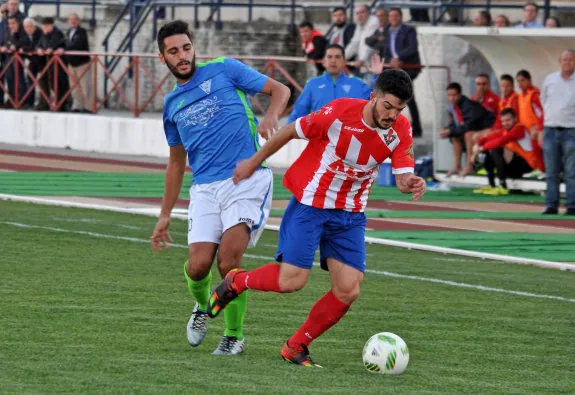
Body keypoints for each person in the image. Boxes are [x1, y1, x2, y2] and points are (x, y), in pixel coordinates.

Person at [206, 69, 426, 367]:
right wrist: (252, 163)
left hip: (350, 214)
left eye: (399, 109)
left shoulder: (400, 128)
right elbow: (287, 131)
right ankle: (237, 281)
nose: (392, 115)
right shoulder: (338, 113)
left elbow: (402, 177)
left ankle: (296, 346)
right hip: (311, 205)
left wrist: (411, 182)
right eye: (387, 106)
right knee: (292, 281)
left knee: (348, 289)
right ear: (373, 97)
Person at [150, 20, 290, 355]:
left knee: (228, 263)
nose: (183, 56)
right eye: (174, 51)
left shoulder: (225, 69)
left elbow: (280, 90)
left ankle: (234, 334)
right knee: (197, 267)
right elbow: (175, 163)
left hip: (246, 179)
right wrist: (164, 214)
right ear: (162, 58)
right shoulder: (172, 105)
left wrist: (272, 115)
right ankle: (203, 306)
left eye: (186, 47)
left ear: (193, 46)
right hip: (204, 188)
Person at [287, 44, 371, 123]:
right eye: (329, 57)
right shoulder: (313, 84)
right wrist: (286, 135)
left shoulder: (358, 84)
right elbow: (298, 112)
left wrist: (377, 76)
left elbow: (377, 101)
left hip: (349, 136)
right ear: (324, 61)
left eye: (337, 57)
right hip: (320, 135)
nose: (333, 60)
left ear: (344, 61)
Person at [471, 108, 544, 195]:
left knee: (495, 149)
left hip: (530, 165)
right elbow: (489, 138)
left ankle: (503, 186)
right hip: (519, 164)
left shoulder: (519, 128)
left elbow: (501, 141)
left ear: (515, 119)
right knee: (486, 151)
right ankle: (491, 185)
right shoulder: (506, 130)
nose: (505, 123)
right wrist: (478, 144)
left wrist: (481, 148)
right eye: (503, 121)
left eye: (508, 120)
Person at [540, 49, 575, 215]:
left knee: (571, 171)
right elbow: (543, 100)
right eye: (564, 60)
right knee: (551, 171)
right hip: (551, 130)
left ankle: (572, 205)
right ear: (559, 61)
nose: (567, 63)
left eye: (571, 60)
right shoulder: (550, 79)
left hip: (571, 131)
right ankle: (551, 205)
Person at [439, 82, 495, 177]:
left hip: (489, 129)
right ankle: (457, 166)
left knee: (468, 135)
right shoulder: (453, 107)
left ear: (460, 94)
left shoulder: (469, 105)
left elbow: (469, 125)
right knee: (454, 136)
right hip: (475, 129)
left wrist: (451, 130)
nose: (451, 98)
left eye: (454, 95)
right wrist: (447, 130)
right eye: (449, 95)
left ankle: (470, 165)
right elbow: (454, 124)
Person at [383, 8, 422, 137]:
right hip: (394, 68)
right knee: (392, 97)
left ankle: (417, 127)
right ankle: (392, 123)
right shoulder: (387, 31)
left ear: (400, 17)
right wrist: (390, 61)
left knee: (409, 98)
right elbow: (386, 50)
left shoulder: (409, 30)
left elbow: (412, 48)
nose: (393, 18)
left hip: (408, 67)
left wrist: (398, 57)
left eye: (396, 16)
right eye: (391, 16)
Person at [36, 17, 69, 111]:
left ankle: (61, 105)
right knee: (47, 83)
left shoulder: (57, 33)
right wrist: (39, 49)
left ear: (51, 25)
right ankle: (47, 103)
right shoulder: (44, 34)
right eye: (44, 26)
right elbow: (39, 44)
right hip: (48, 64)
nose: (45, 28)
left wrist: (47, 48)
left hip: (59, 65)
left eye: (47, 26)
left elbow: (51, 45)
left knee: (59, 84)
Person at [65, 13, 91, 112]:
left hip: (82, 62)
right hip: (71, 63)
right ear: (68, 22)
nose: (73, 21)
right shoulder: (68, 32)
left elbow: (77, 44)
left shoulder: (82, 31)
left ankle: (87, 106)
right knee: (74, 86)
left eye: (75, 19)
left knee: (84, 85)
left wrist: (64, 49)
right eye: (71, 20)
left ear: (79, 21)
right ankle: (77, 106)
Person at [345, 4, 378, 74]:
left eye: (362, 12)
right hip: (365, 66)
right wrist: (343, 57)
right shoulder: (360, 25)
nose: (359, 15)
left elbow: (370, 44)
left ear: (368, 13)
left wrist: (362, 60)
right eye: (357, 13)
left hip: (375, 67)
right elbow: (354, 43)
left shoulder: (374, 23)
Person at [19, 18, 43, 108]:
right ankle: (30, 102)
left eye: (30, 27)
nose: (28, 29)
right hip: (33, 61)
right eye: (26, 27)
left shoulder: (40, 32)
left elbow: (37, 46)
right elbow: (20, 44)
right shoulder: (25, 34)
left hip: (43, 61)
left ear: (34, 26)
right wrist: (26, 49)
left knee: (43, 83)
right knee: (30, 80)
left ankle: (44, 103)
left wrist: (26, 49)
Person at [516, 69, 543, 141]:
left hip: (534, 131)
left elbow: (543, 113)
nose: (520, 83)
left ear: (529, 80)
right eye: (518, 81)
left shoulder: (534, 95)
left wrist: (538, 128)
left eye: (522, 80)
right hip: (525, 129)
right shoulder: (521, 96)